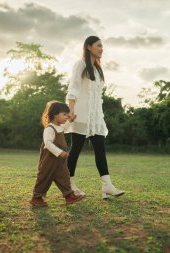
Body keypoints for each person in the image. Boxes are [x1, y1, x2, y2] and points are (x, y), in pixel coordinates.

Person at [65, 35, 125, 199]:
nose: (101, 49)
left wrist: (100, 117)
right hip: (81, 114)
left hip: (96, 117)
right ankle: (69, 185)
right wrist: (70, 109)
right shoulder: (80, 64)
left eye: (102, 46)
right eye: (98, 46)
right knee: (75, 149)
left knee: (100, 149)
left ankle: (107, 185)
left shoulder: (98, 70)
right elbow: (74, 87)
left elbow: (97, 97)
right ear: (89, 47)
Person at [30, 101, 84, 207]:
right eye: (64, 114)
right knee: (44, 178)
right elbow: (48, 144)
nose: (66, 116)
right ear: (55, 115)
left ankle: (69, 196)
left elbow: (66, 127)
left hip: (59, 161)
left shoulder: (60, 127)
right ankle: (36, 198)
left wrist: (70, 120)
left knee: (64, 176)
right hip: (48, 160)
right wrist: (59, 152)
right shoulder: (49, 128)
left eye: (67, 115)